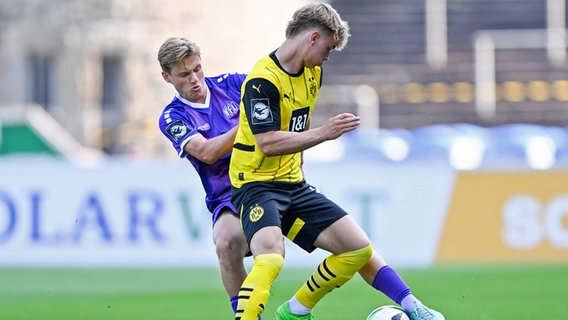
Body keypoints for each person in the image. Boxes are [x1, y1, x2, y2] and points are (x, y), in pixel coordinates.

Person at [228, 3, 444, 320]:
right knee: (271, 257)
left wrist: (300, 163)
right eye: (327, 49)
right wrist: (325, 133)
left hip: (293, 184)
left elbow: (295, 128)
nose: (327, 57)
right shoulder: (263, 81)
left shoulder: (313, 73)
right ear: (313, 37)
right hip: (256, 186)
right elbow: (267, 141)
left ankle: (296, 311)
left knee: (358, 249)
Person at [157, 37, 251, 317]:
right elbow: (207, 153)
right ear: (167, 77)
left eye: (197, 69)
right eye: (184, 75)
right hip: (229, 196)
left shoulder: (232, 83)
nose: (195, 79)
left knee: (352, 245)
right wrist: (249, 125)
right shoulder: (173, 117)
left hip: (272, 179)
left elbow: (275, 88)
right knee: (225, 243)